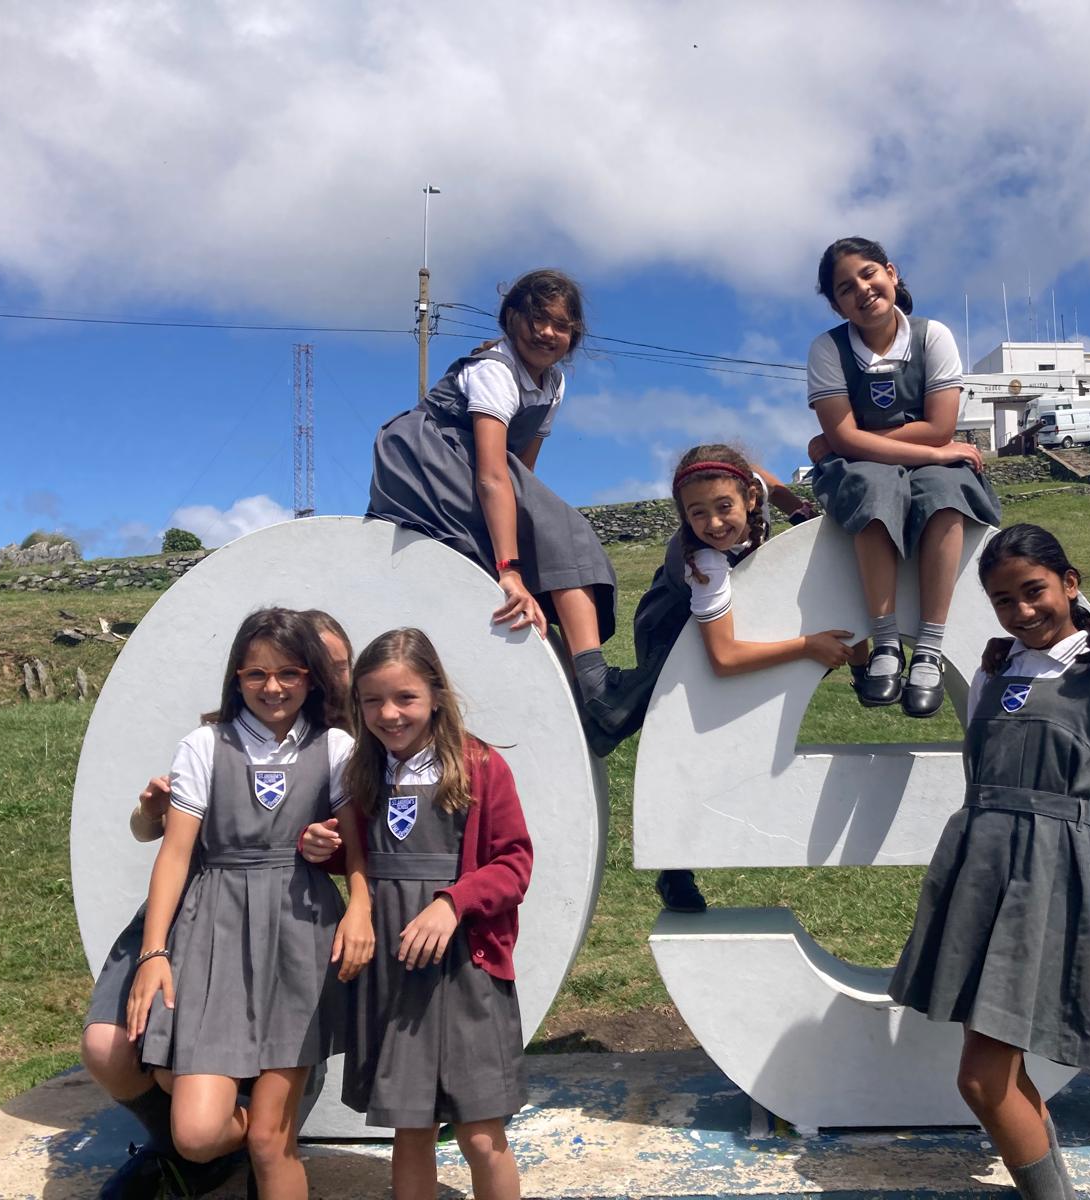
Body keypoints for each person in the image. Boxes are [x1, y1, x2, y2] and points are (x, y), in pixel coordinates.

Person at [889, 523, 1090, 1200]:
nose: (1022, 610)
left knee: (981, 1079)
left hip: (1053, 875)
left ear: (1070, 583)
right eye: (1004, 600)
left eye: (1034, 591)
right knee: (1002, 1067)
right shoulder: (995, 667)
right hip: (980, 866)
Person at [80, 610, 354, 1199]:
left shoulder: (337, 747)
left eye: (289, 672)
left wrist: (344, 877)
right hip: (211, 929)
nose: (273, 686)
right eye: (257, 674)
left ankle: (269, 1146)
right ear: (236, 677)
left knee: (268, 1133)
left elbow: (363, 845)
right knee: (195, 1127)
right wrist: (154, 952)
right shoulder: (205, 744)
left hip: (296, 933)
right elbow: (174, 852)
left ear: (311, 677)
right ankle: (228, 1149)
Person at [586, 444, 848, 910]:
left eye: (724, 506)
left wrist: (799, 511)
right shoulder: (704, 562)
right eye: (697, 513)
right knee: (688, 736)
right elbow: (724, 657)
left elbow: (762, 474)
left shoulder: (750, 487)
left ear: (749, 496)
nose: (713, 523)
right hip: (671, 630)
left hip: (733, 618)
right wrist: (809, 646)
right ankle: (673, 866)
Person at [366, 269, 619, 734]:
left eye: (561, 325)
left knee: (554, 526)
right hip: (426, 460)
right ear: (510, 319)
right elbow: (492, 474)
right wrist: (510, 568)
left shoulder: (553, 385)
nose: (547, 332)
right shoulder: (494, 370)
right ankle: (596, 683)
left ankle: (584, 684)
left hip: (476, 466)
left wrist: (532, 533)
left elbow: (523, 471)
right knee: (564, 526)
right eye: (537, 319)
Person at [341, 628, 531, 1200]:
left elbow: (514, 863)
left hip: (466, 968)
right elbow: (360, 858)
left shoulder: (480, 765)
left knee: (480, 1134)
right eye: (372, 700)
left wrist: (452, 903)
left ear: (436, 695)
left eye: (405, 697)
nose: (389, 714)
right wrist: (318, 846)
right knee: (411, 1129)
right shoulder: (362, 772)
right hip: (394, 970)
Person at [806, 237, 1001, 719]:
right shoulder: (828, 349)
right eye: (845, 288)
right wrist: (853, 442)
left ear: (891, 273)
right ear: (836, 305)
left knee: (946, 492)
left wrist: (853, 438)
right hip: (866, 467)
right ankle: (886, 640)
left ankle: (930, 646)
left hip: (918, 459)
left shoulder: (933, 336)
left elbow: (940, 427)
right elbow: (854, 440)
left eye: (868, 273)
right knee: (873, 487)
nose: (862, 289)